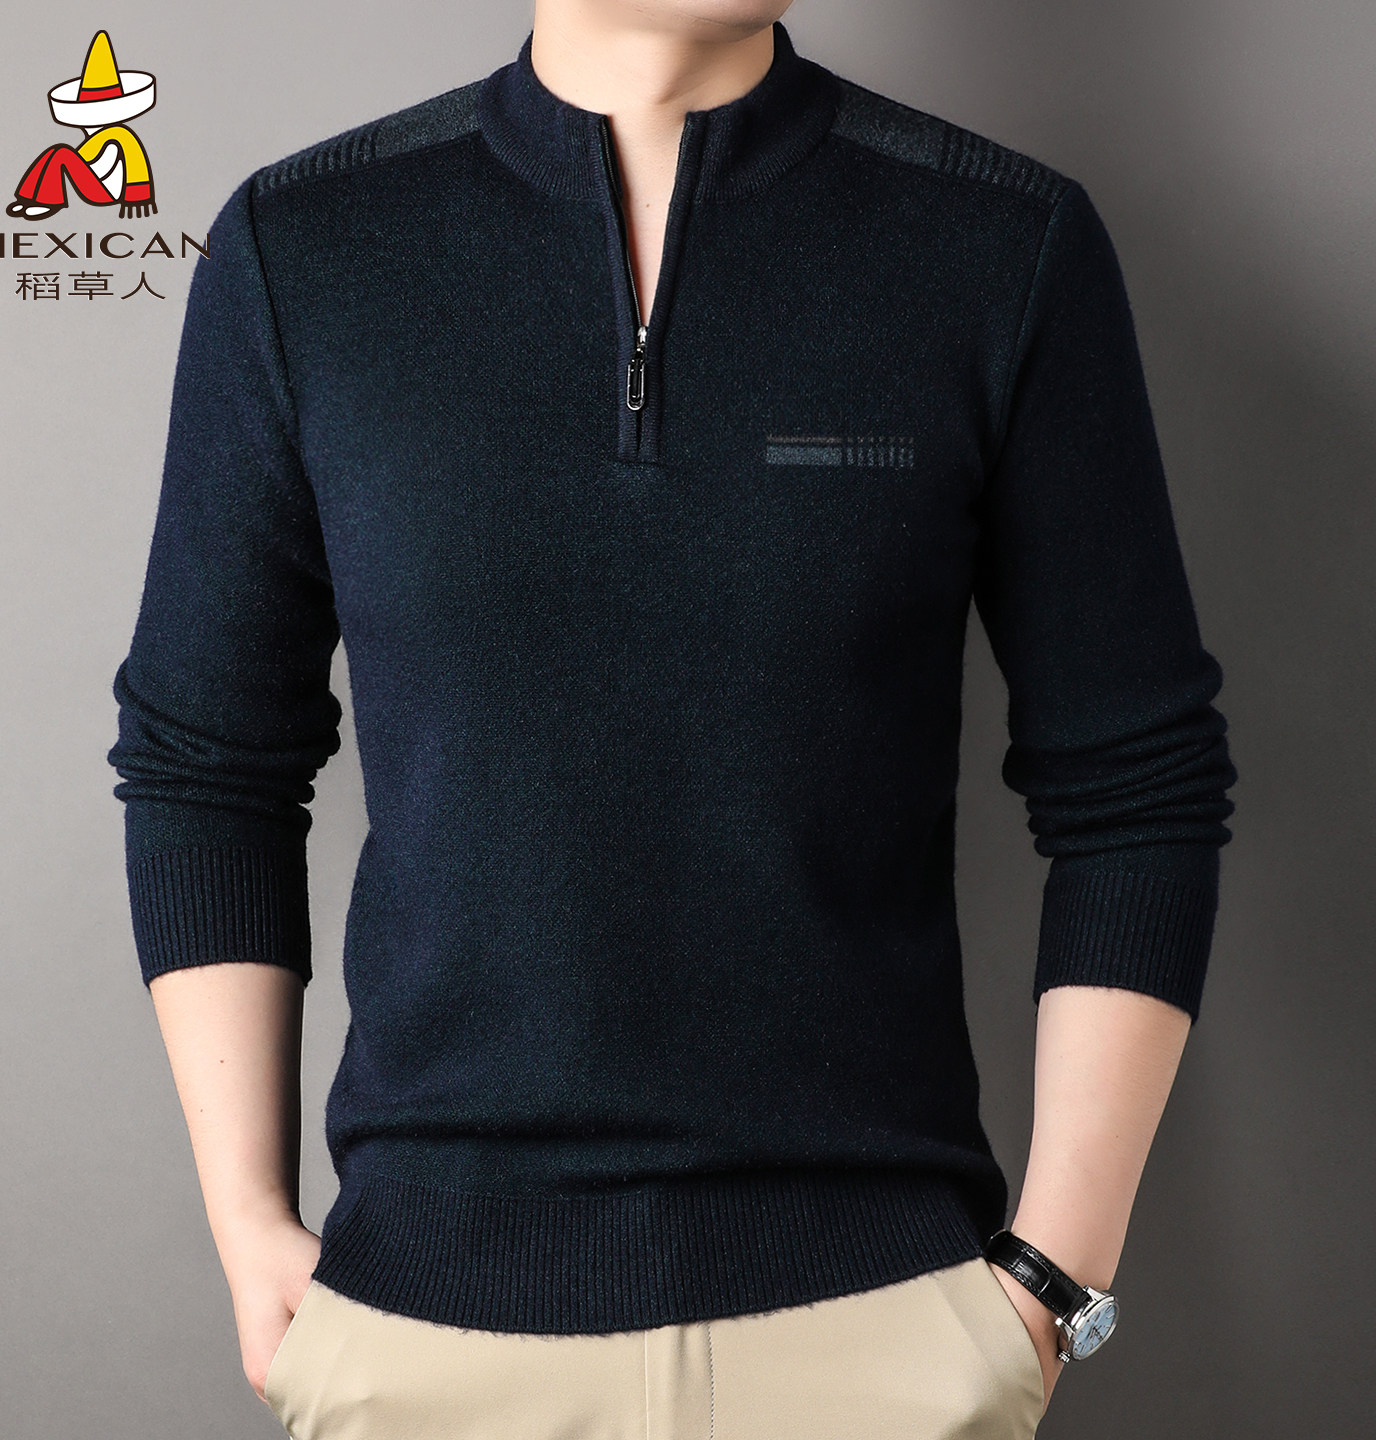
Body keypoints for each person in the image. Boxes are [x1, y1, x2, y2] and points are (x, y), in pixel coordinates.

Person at [105, 2, 1237, 1437]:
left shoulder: (999, 242)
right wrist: (248, 1224)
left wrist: (1054, 1279)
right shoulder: (306, 247)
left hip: (883, 1333)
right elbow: (206, 766)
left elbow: (1137, 782)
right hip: (426, 1333)